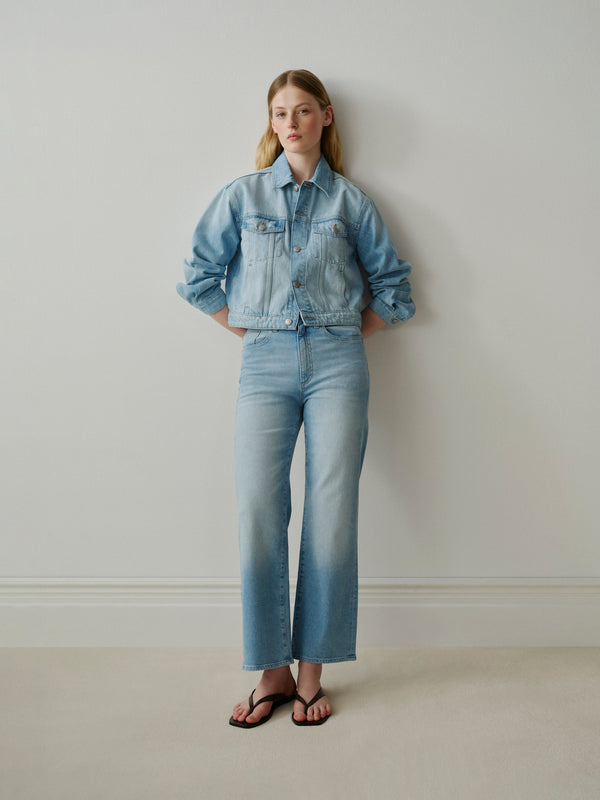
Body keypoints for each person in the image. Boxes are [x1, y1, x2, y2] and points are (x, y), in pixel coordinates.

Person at [177, 69, 415, 727]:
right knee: (259, 507)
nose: (292, 122)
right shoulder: (244, 196)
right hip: (264, 363)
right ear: (271, 122)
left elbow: (395, 291)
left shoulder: (352, 204)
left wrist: (342, 330)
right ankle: (272, 671)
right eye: (281, 112)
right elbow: (197, 279)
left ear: (326, 117)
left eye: (303, 110)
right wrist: (252, 327)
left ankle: (312, 672)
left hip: (339, 363)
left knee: (330, 512)